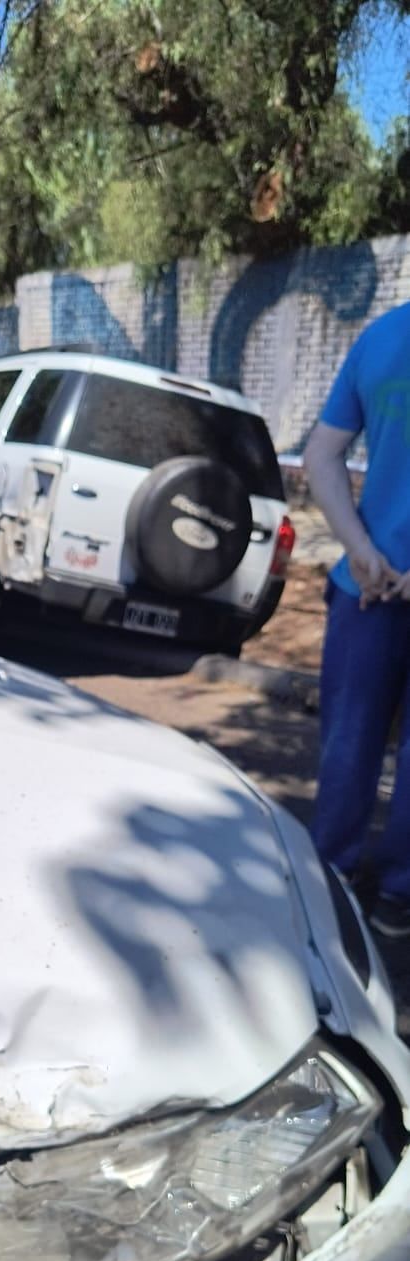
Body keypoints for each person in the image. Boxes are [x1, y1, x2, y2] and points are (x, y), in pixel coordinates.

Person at [305, 302, 410, 939]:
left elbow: (322, 455)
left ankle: (332, 881)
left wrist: (363, 551)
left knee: (348, 741)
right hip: (378, 580)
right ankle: (399, 895)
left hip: (365, 586)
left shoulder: (381, 337)